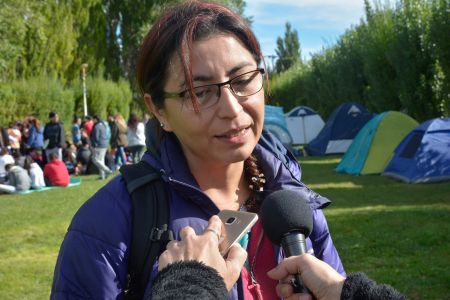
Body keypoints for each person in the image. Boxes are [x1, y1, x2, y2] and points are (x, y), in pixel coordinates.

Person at [51, 2, 344, 299]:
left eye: (243, 81)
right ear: (158, 110)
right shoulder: (108, 222)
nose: (232, 109)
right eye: (199, 92)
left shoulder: (294, 202)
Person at [153, 216, 406, 300]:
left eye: (241, 87)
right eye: (199, 93)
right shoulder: (128, 205)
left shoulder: (299, 201)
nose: (231, 108)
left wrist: (340, 292)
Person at [90, 115, 112, 179]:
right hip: (105, 144)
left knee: (95, 159)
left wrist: (94, 145)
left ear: (96, 119)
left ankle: (107, 170)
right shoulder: (103, 125)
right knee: (101, 160)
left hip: (99, 145)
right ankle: (102, 176)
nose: (92, 121)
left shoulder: (96, 127)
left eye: (93, 120)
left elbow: (96, 137)